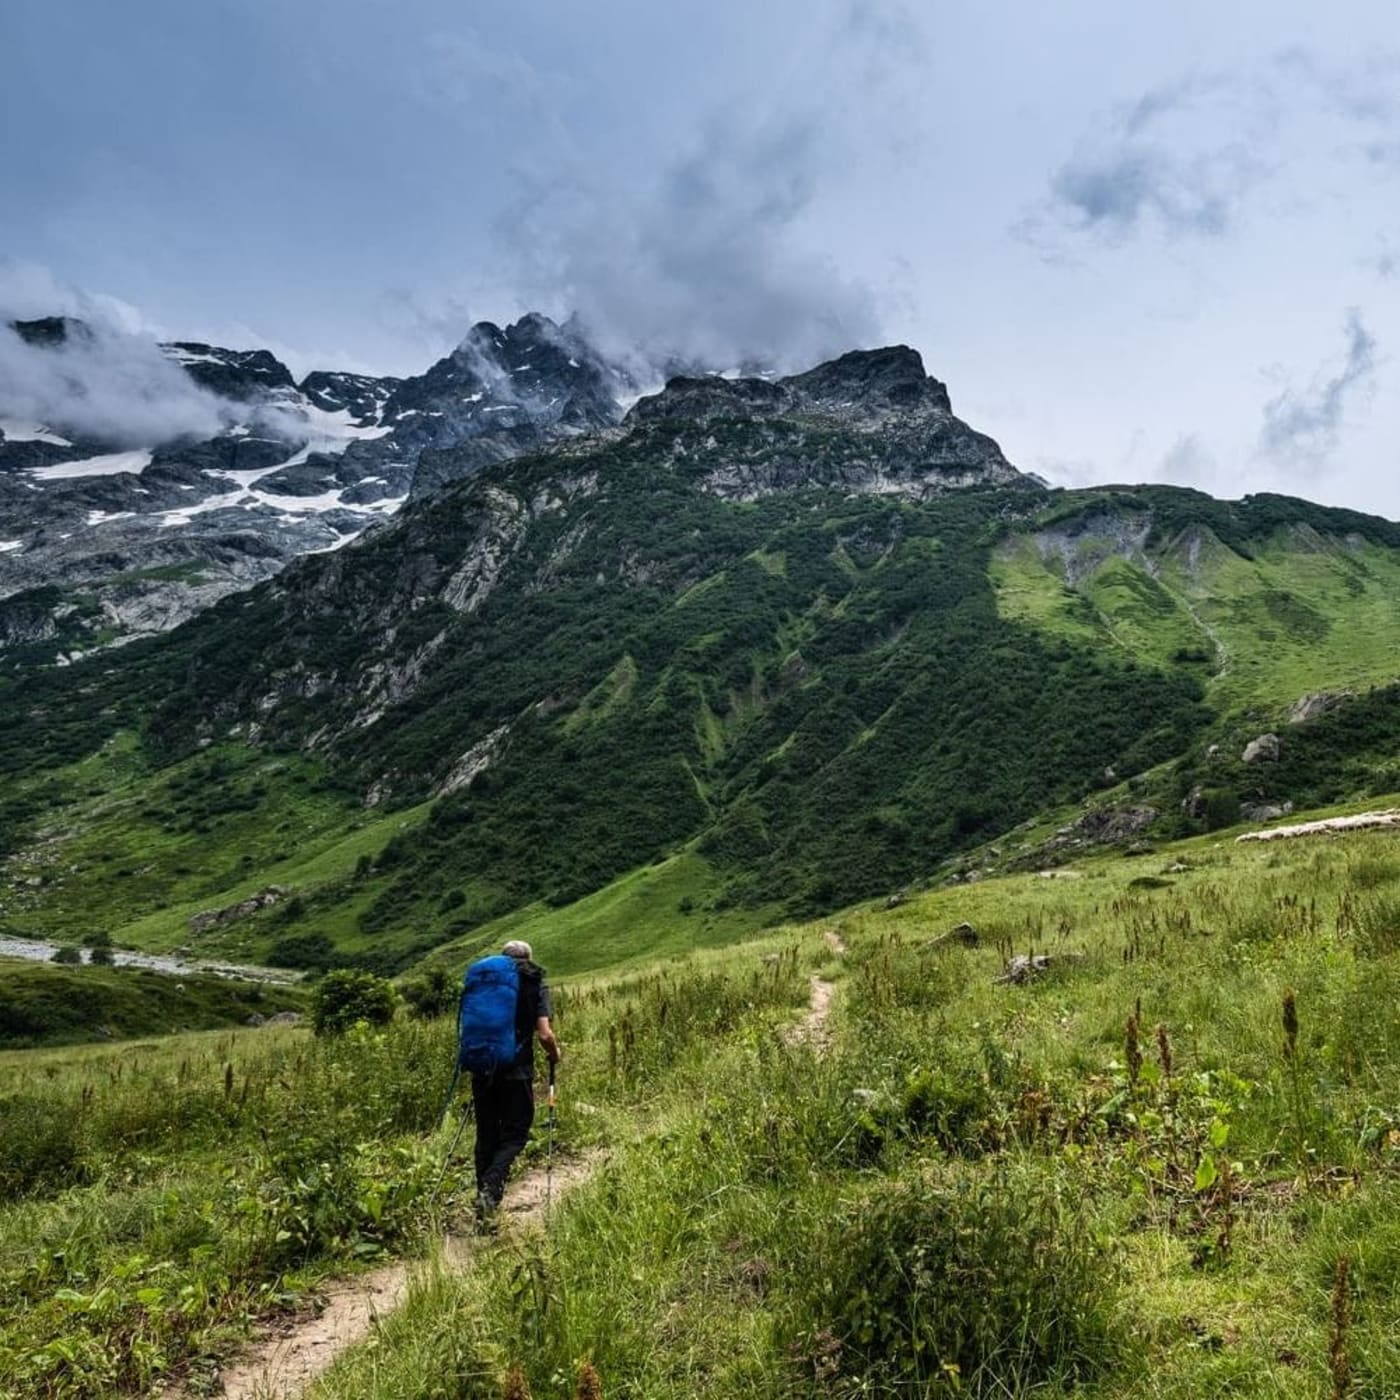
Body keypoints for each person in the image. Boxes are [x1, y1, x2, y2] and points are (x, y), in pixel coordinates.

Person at [470, 939, 561, 1230]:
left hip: (482, 1068)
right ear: (529, 958)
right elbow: (545, 1034)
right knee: (516, 1133)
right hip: (516, 1069)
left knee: (486, 1135)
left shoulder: (487, 983)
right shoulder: (535, 982)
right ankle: (491, 1187)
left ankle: (484, 1208)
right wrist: (554, 1054)